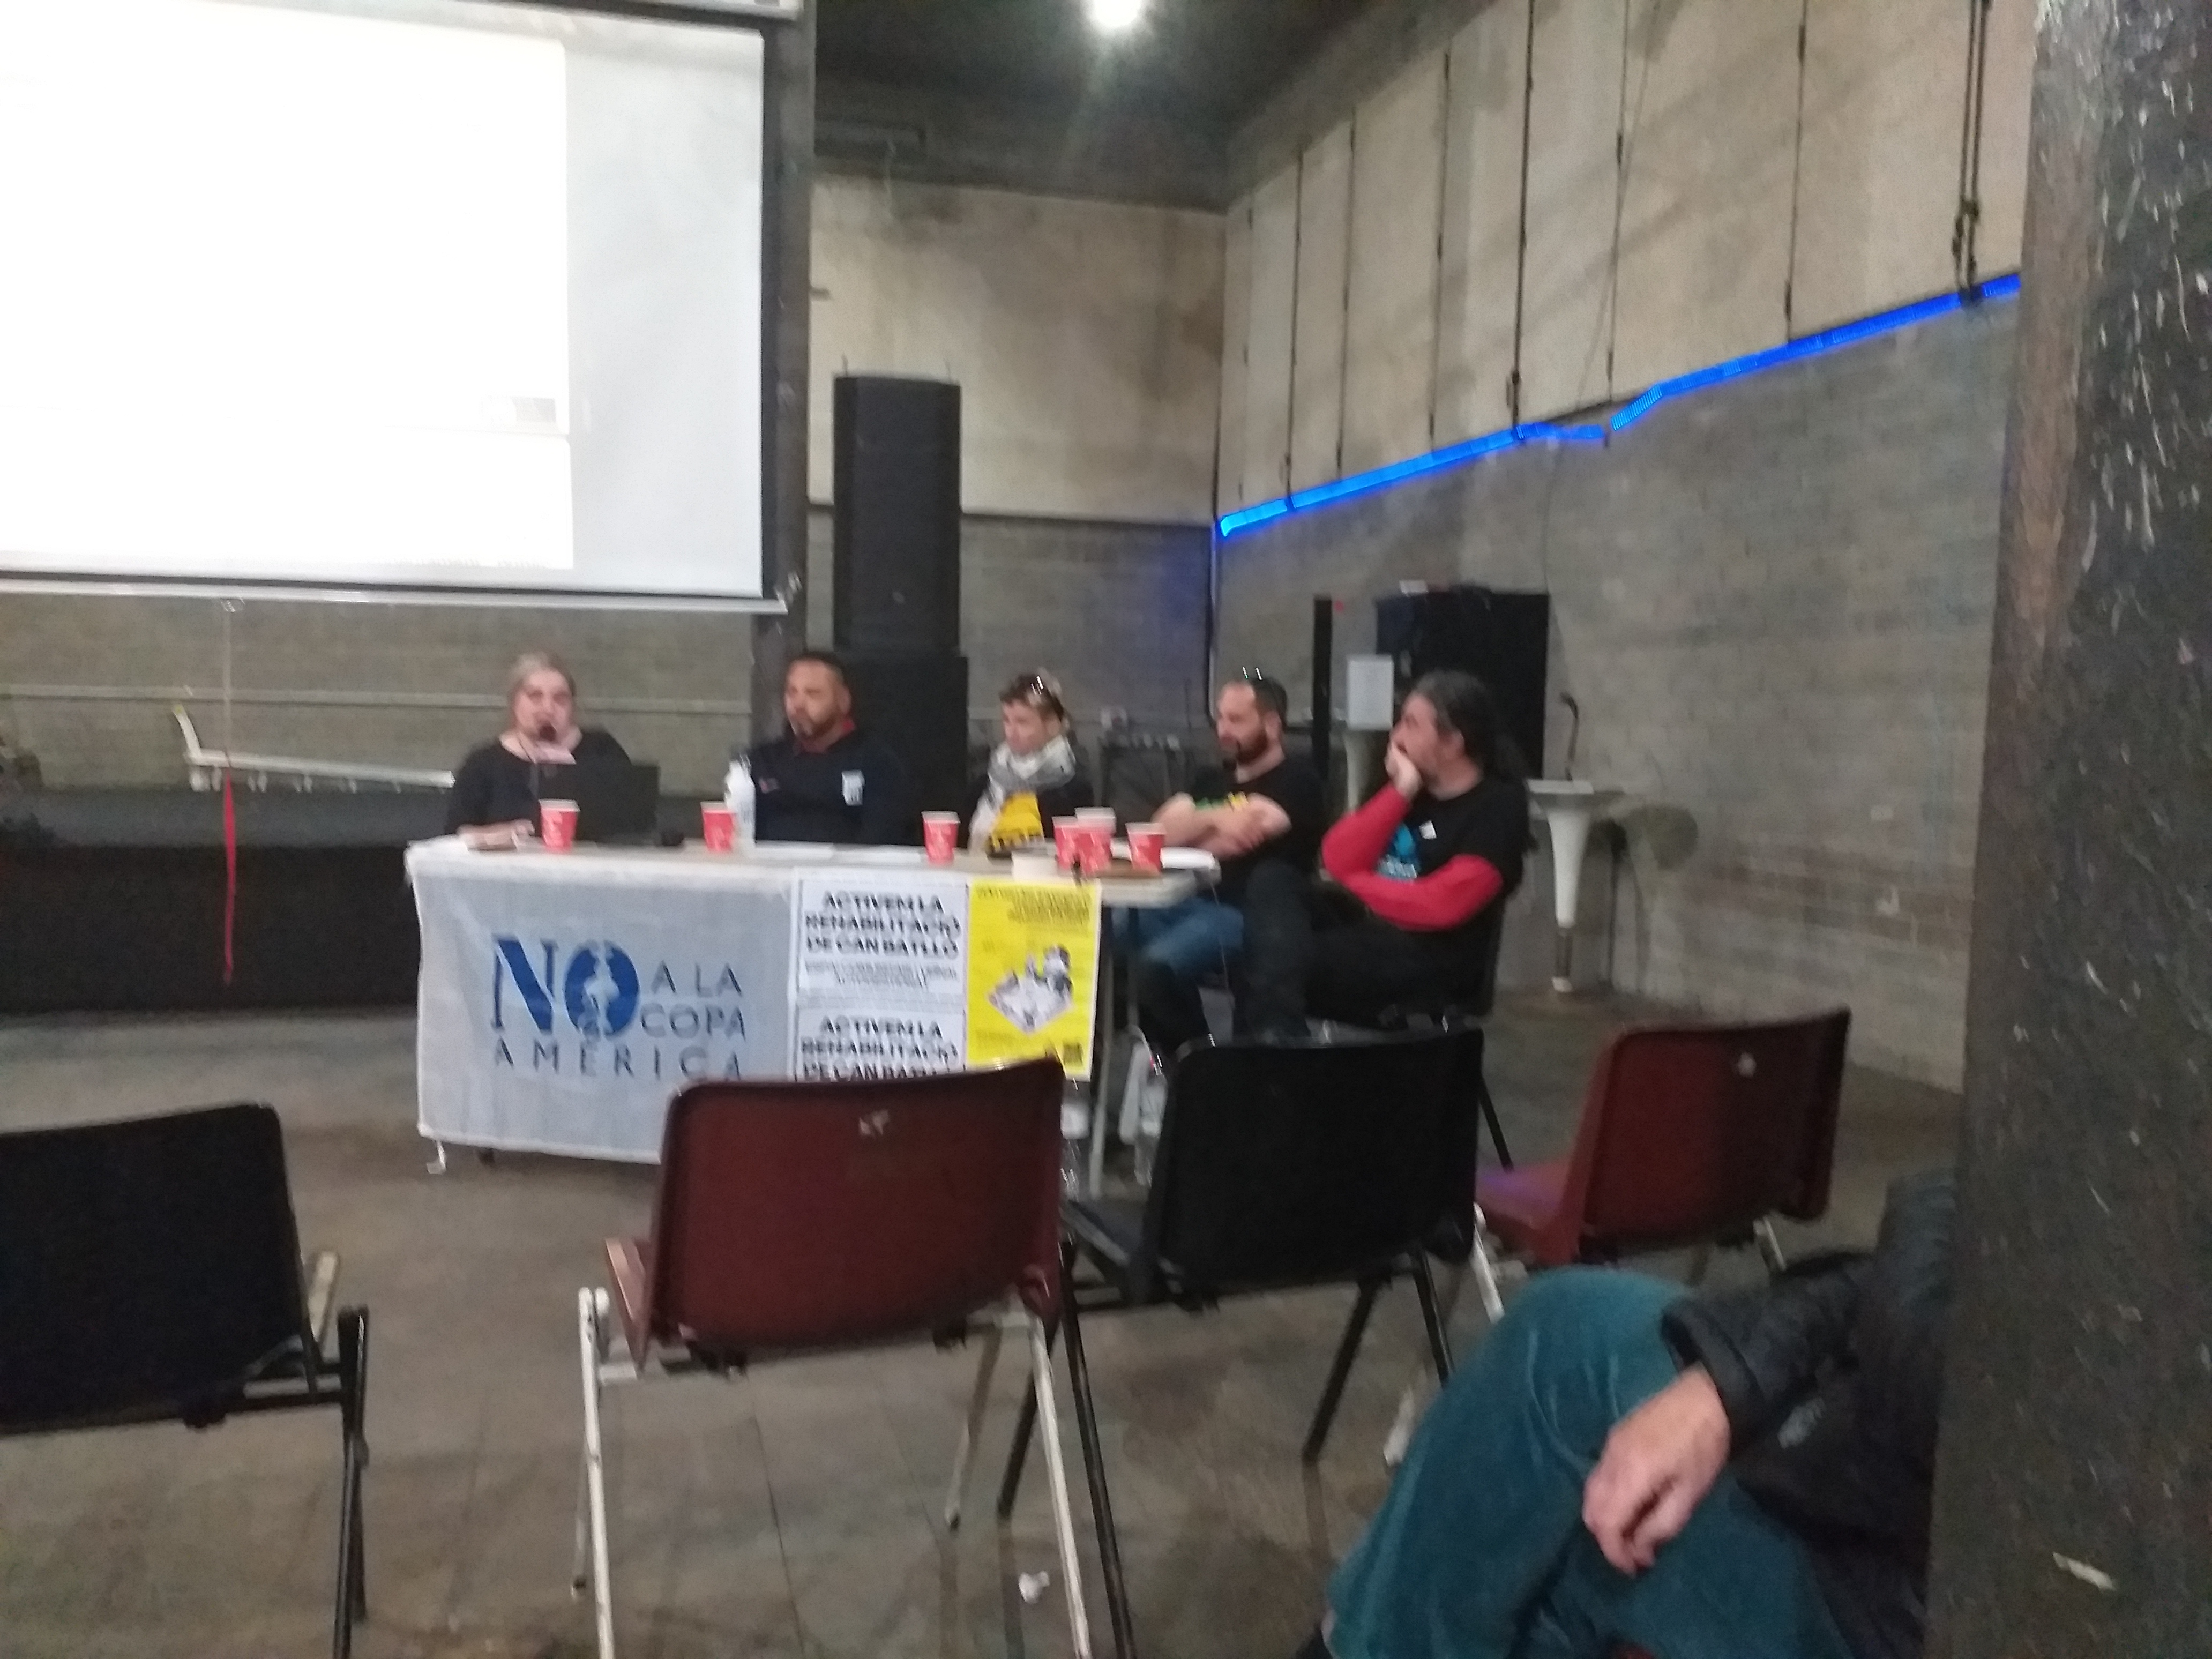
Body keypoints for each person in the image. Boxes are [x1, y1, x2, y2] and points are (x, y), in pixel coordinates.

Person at [1296, 1169, 1955, 1659]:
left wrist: (1942, 1206)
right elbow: (1921, 1277)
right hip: (1896, 1500)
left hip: (1909, 1599)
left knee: (1553, 1371)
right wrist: (1725, 1386)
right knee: (1557, 1511)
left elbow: (1922, 1315)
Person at [1239, 669, 1528, 1034]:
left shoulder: (1497, 807)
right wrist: (1401, 790)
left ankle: (1271, 1052)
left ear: (1453, 743)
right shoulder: (1408, 788)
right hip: (1369, 929)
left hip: (1429, 955)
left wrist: (1359, 885)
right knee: (1274, 879)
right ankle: (1276, 1045)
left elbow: (1441, 905)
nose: (1396, 736)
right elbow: (1336, 859)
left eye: (1411, 724)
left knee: (1269, 963)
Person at [1126, 673, 1328, 1060]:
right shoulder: (1210, 779)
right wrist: (1218, 817)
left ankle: (1198, 1067)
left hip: (1248, 915)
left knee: (1156, 968)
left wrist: (1193, 827)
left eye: (1236, 720)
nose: (1223, 730)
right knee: (1101, 934)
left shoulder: (1298, 780)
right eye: (1220, 718)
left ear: (1272, 725)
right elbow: (1157, 834)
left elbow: (1245, 835)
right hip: (1185, 901)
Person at [445, 652, 629, 836]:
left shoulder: (602, 750)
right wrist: (507, 834)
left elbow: (629, 823)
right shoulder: (483, 764)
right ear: (514, 703)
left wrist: (575, 776)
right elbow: (456, 832)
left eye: (560, 698)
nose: (548, 709)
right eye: (535, 696)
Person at [746, 650, 918, 845]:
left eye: (813, 694)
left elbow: (882, 844)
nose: (798, 704)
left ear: (843, 701)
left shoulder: (879, 764)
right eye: (792, 692)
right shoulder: (764, 761)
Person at [967, 670, 1093, 854]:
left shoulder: (1074, 786)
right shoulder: (986, 780)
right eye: (1007, 721)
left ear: (1052, 725)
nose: (1011, 732)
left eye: (1022, 722)